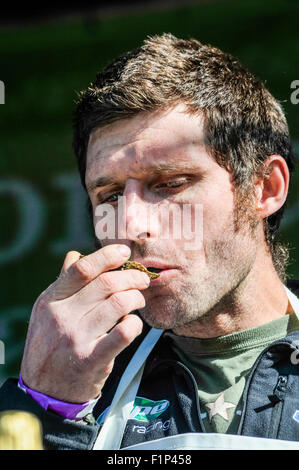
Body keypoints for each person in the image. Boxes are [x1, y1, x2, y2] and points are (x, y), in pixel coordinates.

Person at [0, 33, 299, 450]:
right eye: (109, 196)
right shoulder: (80, 379)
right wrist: (46, 407)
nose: (131, 223)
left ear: (264, 189)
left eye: (171, 184)